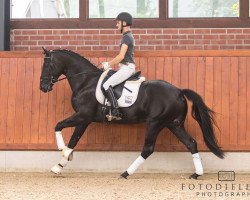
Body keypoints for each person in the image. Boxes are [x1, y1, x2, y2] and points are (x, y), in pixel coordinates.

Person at [102, 12, 135, 120]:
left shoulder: (127, 37)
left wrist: (108, 64)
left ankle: (116, 111)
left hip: (127, 68)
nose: (116, 25)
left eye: (118, 23)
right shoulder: (126, 36)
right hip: (124, 67)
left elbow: (121, 57)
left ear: (124, 23)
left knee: (106, 85)